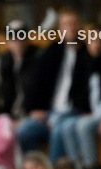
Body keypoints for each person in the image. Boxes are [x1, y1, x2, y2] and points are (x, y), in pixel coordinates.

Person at [17, 8, 92, 157]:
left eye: (73, 23)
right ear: (60, 29)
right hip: (48, 112)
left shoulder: (89, 52)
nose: (70, 28)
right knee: (23, 132)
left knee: (58, 131)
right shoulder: (52, 51)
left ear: (81, 26)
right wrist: (35, 109)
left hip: (73, 112)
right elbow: (35, 82)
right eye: (65, 24)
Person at [56, 36, 101, 168]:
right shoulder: (85, 62)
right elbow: (80, 92)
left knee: (84, 125)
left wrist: (98, 112)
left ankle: (92, 168)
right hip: (91, 112)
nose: (95, 45)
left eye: (99, 41)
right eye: (91, 41)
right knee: (66, 126)